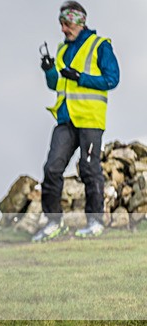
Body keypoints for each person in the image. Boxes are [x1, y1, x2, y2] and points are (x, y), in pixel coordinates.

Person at [33, 1, 120, 242]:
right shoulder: (62, 49)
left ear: (80, 21)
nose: (63, 29)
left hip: (90, 119)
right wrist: (50, 71)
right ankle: (54, 222)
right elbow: (56, 84)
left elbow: (112, 79)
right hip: (65, 119)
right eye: (61, 24)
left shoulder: (100, 45)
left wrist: (81, 77)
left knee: (90, 169)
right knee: (52, 169)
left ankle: (95, 221)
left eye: (67, 23)